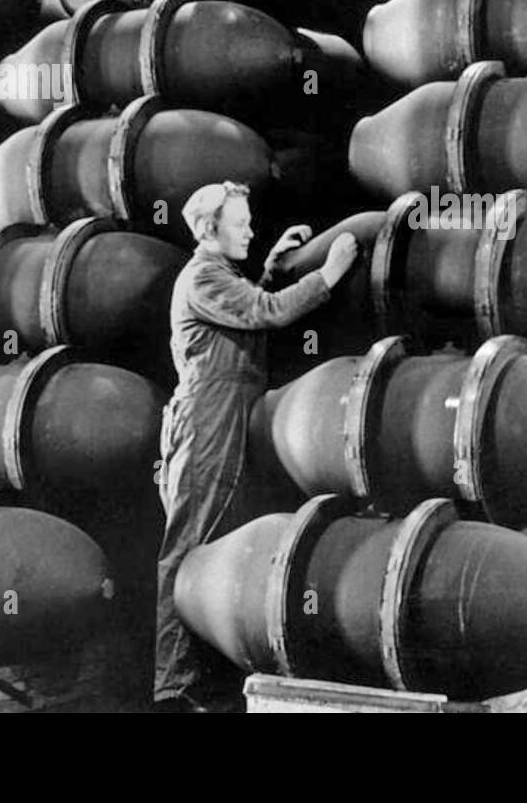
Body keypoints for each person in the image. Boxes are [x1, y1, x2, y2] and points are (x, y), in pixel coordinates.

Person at [153, 181, 358, 712]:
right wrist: (327, 275)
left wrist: (270, 267)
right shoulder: (201, 276)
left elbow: (247, 311)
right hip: (207, 422)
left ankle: (208, 682)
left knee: (219, 546)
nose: (248, 228)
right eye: (239, 223)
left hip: (229, 416)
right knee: (190, 548)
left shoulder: (220, 276)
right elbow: (264, 313)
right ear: (208, 230)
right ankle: (174, 689)